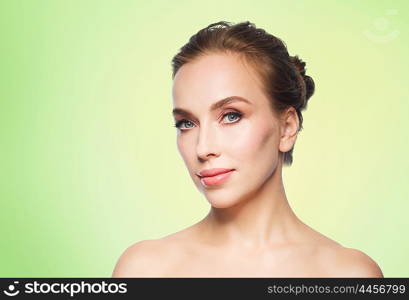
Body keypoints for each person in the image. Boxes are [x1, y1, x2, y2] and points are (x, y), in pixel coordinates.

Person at [112, 21, 383, 277]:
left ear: (287, 127)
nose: (203, 148)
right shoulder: (145, 270)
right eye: (186, 123)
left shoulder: (347, 274)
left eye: (231, 116)